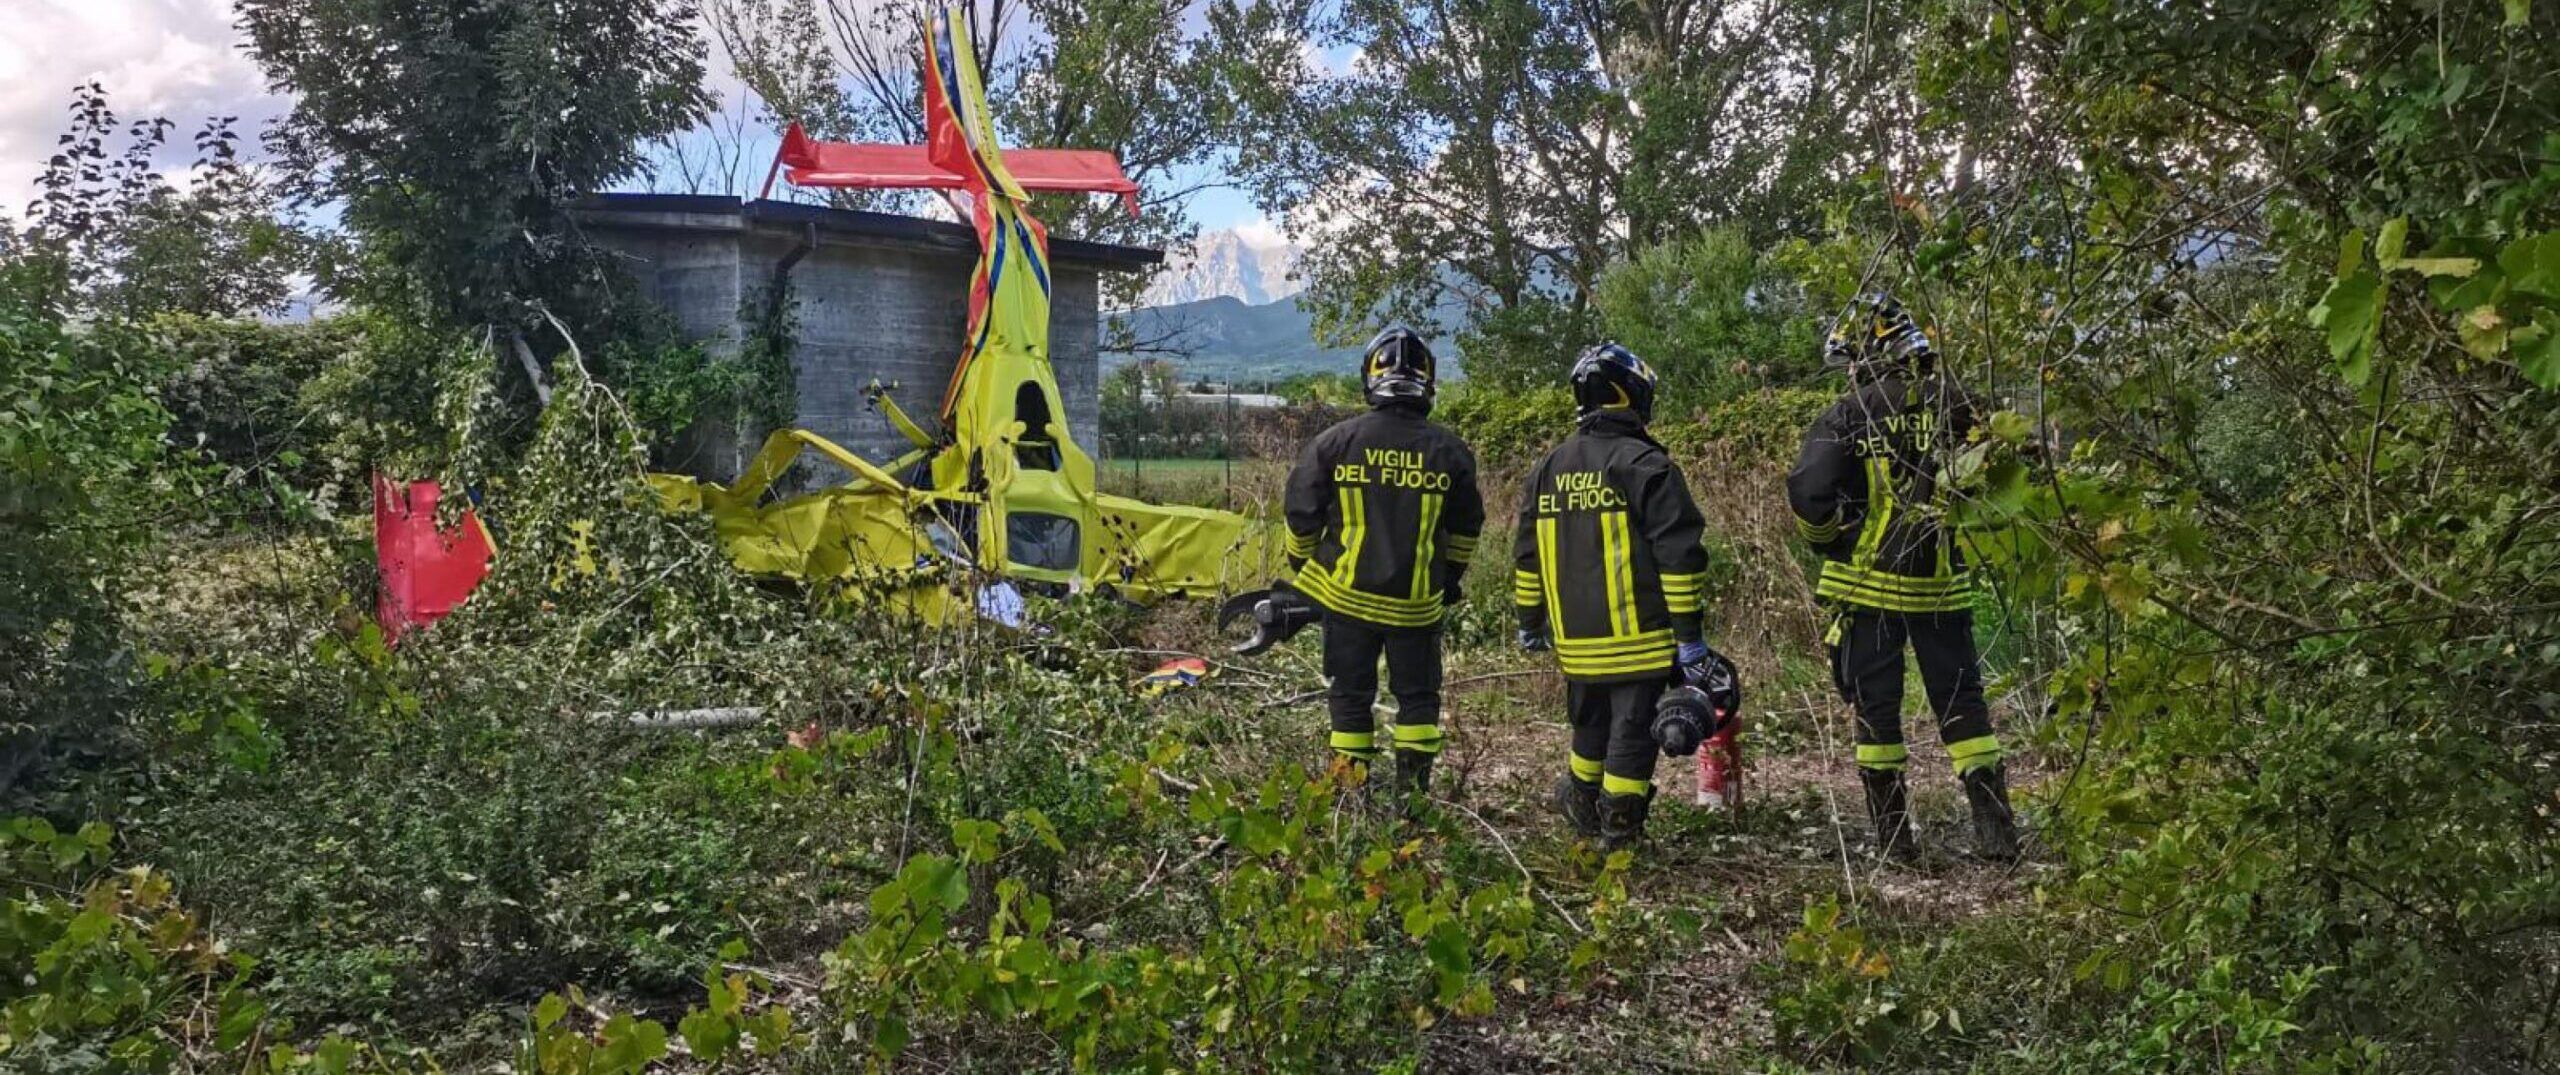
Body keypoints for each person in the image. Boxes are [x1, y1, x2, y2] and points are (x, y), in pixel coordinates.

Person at [1786, 293, 2019, 861]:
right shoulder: (1962, 404)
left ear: (1868, 356)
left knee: (1876, 709)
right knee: (1964, 705)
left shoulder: (1849, 414)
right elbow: (2010, 471)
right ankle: (1996, 834)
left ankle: (1894, 843)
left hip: (1869, 590)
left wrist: (1834, 545)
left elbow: (1807, 492)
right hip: (1942, 584)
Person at [1512, 343, 1726, 850]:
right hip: (1640, 643)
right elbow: (1679, 559)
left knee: (1588, 731)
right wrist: (1690, 639)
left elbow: (1527, 556)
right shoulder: (1647, 465)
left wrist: (1529, 620)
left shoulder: (1549, 468)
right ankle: (1619, 837)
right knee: (1630, 740)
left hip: (1575, 646)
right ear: (1631, 394)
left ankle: (1583, 814)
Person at [1281, 327, 1484, 802]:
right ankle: (1412, 802)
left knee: (1350, 697)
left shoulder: (1334, 442)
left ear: (1369, 379)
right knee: (1417, 699)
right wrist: (1447, 582)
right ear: (1428, 383)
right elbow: (1466, 529)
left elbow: (1300, 517)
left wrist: (1306, 571)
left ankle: (1350, 801)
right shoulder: (1450, 451)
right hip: (1416, 609)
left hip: (1346, 603)